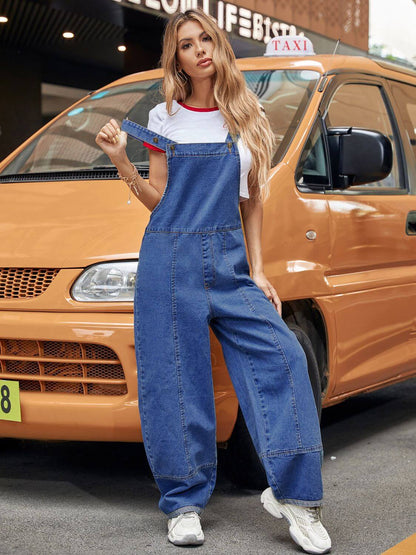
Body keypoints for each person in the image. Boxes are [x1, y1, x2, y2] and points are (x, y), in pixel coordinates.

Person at [95, 8, 332, 554]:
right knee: (175, 381)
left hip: (227, 262)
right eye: (186, 44)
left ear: (219, 47)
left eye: (206, 39)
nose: (199, 50)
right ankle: (183, 503)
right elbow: (159, 199)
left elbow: (252, 205)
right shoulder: (164, 117)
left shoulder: (246, 118)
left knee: (285, 356)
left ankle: (295, 497)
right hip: (168, 257)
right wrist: (120, 162)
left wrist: (258, 271)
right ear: (175, 58)